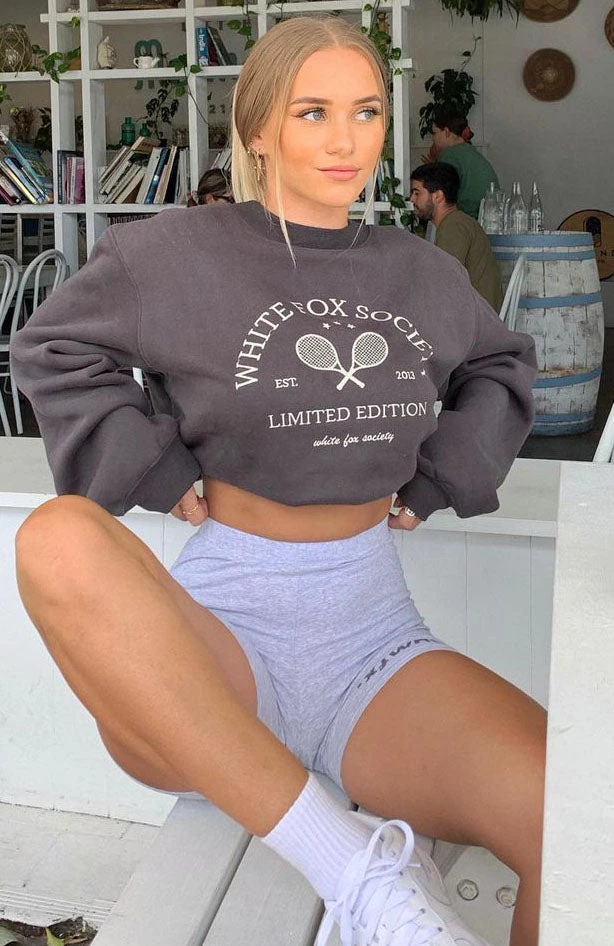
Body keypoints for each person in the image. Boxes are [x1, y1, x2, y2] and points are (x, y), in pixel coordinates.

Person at [11, 16, 544, 946]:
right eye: (313, 112)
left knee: (570, 814)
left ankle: (354, 863)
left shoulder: (417, 272)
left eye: (367, 112)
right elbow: (51, 347)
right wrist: (155, 465)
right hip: (218, 649)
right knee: (56, 537)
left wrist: (437, 479)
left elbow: (503, 365)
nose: (346, 140)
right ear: (259, 128)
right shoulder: (173, 253)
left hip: (374, 643)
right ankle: (354, 872)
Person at [410, 163, 503, 312]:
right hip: (477, 313)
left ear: (437, 196)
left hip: (474, 318)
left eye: (417, 193)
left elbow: (444, 282)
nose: (412, 199)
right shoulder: (459, 221)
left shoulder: (453, 227)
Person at [430, 110, 499, 220]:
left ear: (446, 132)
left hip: (466, 219)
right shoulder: (471, 152)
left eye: (435, 133)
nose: (433, 138)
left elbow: (441, 196)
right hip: (489, 217)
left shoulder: (449, 155)